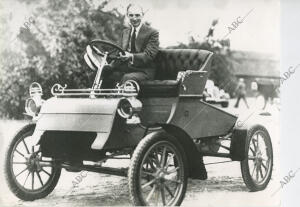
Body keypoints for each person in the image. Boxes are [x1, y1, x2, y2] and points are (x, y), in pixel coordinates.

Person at [101, 3, 160, 88]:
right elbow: (118, 51)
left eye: (137, 15)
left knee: (127, 78)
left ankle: (120, 100)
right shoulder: (125, 32)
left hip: (144, 71)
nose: (134, 18)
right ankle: (99, 97)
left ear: (143, 15)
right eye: (131, 15)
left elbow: (149, 55)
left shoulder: (152, 32)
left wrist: (131, 56)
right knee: (103, 71)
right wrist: (108, 61)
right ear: (127, 16)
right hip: (127, 68)